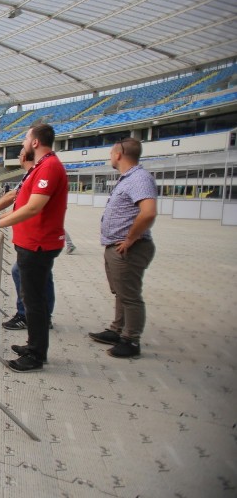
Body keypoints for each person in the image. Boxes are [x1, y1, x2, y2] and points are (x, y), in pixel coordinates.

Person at [0, 123, 68, 372]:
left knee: (34, 301)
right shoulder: (39, 167)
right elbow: (19, 199)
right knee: (32, 298)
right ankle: (33, 346)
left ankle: (36, 355)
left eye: (27, 138)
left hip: (38, 245)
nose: (23, 143)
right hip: (31, 243)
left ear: (36, 142)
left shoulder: (49, 166)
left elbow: (33, 207)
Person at [0, 150, 56, 331]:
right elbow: (18, 205)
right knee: (42, 276)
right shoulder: (35, 173)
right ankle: (42, 316)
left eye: (20, 152)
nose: (18, 156)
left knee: (25, 274)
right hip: (37, 238)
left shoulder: (36, 172)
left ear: (24, 157)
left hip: (36, 239)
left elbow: (15, 199)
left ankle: (28, 316)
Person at [88, 138, 157, 358]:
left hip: (129, 248)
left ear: (119, 154)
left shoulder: (139, 178)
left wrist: (130, 239)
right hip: (116, 247)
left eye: (110, 154)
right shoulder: (128, 179)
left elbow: (148, 212)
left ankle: (131, 340)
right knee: (121, 292)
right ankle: (117, 329)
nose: (110, 157)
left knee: (130, 296)